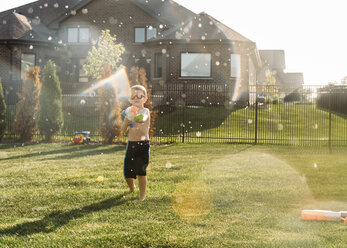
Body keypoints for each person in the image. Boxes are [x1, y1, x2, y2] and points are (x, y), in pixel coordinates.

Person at [121, 85, 150, 201]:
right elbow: (123, 129)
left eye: (139, 96)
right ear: (129, 100)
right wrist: (127, 118)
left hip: (143, 145)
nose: (136, 98)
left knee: (141, 171)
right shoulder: (128, 111)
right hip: (131, 144)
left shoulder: (145, 111)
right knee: (128, 171)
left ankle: (142, 195)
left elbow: (141, 119)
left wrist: (134, 115)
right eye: (133, 96)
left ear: (145, 99)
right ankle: (132, 187)